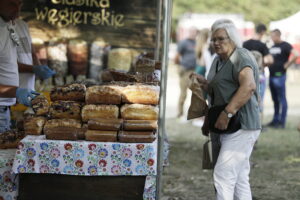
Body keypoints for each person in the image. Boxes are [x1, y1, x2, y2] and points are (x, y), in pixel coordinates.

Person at [195, 19, 261, 199]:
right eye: (213, 39)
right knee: (239, 178)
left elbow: (248, 87)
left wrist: (227, 113)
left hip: (241, 125)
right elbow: (220, 91)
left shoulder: (241, 56)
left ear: (232, 38)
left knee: (223, 175)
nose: (216, 43)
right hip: (223, 124)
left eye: (221, 39)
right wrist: (205, 84)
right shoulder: (218, 60)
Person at [0, 0, 54, 133]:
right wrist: (16, 92)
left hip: (5, 106)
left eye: (20, 4)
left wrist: (37, 67)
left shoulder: (8, 26)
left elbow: (10, 62)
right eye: (12, 3)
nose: (17, 9)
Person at [267, 29, 299, 128]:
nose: (271, 38)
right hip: (271, 75)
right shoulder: (272, 46)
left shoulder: (286, 45)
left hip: (280, 75)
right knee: (275, 99)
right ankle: (275, 121)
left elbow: (296, 54)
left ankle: (282, 122)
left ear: (278, 36)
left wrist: (287, 65)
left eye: (273, 36)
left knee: (282, 99)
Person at [243, 23, 274, 125]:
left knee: (245, 99)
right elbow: (269, 60)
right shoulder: (262, 45)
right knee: (259, 100)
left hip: (245, 75)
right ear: (262, 32)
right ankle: (258, 124)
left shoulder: (245, 44)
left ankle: (246, 122)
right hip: (259, 75)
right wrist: (264, 64)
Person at [174, 27, 197, 118]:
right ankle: (180, 113)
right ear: (189, 32)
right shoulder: (184, 43)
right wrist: (180, 66)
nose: (193, 33)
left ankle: (193, 114)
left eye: (195, 32)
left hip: (194, 71)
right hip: (185, 70)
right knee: (183, 93)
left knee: (195, 94)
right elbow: (176, 57)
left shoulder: (197, 43)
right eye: (191, 32)